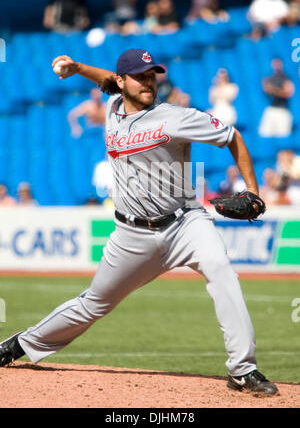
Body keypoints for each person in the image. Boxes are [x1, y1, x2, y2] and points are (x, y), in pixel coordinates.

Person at [0, 48, 278, 396]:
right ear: (122, 82)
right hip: (131, 234)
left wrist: (253, 190)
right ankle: (20, 345)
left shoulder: (175, 117)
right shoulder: (114, 106)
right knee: (93, 304)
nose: (149, 82)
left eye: (152, 75)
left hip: (185, 223)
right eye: (140, 76)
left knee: (221, 268)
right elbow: (106, 79)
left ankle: (243, 369)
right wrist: (77, 68)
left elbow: (232, 137)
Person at [259, 59, 294, 138]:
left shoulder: (286, 78)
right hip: (271, 109)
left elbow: (288, 93)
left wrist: (274, 89)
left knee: (284, 136)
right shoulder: (269, 78)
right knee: (265, 134)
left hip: (283, 110)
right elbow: (266, 91)